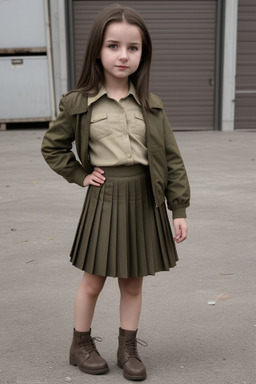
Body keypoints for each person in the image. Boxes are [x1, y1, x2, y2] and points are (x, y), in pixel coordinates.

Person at [41, 3, 190, 381]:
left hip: (144, 198)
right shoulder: (78, 103)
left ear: (143, 54)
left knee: (133, 280)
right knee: (93, 279)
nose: (123, 55)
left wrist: (180, 209)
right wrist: (80, 175)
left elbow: (172, 160)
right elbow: (53, 147)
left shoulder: (152, 107)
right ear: (97, 50)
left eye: (133, 48)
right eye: (113, 46)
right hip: (105, 196)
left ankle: (128, 347)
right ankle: (81, 344)